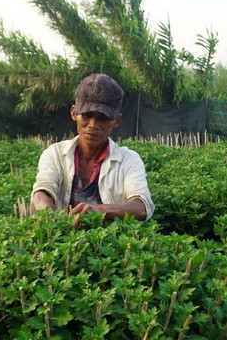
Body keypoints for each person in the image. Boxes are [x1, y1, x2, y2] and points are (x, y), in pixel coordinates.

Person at [31, 73, 154, 227]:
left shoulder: (129, 160)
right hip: (64, 240)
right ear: (74, 113)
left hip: (110, 243)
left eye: (103, 118)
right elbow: (43, 190)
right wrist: (47, 215)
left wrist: (99, 210)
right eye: (87, 115)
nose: (93, 124)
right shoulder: (55, 154)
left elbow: (141, 206)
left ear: (117, 121)